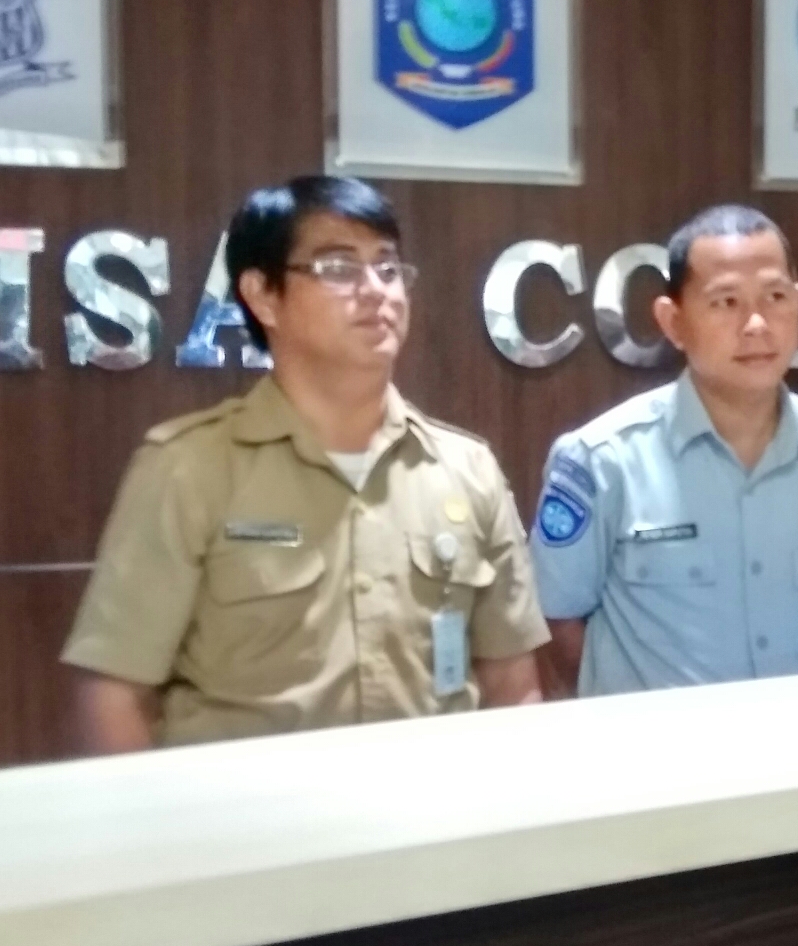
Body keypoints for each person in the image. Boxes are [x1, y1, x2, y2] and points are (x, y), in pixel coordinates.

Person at [65, 176, 547, 751]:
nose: (376, 290)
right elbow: (116, 696)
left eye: (388, 267)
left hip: (427, 799)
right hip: (244, 807)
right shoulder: (188, 468)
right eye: (339, 268)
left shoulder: (467, 469)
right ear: (263, 296)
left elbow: (513, 686)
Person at [531, 204, 798, 696]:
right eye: (726, 302)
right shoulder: (602, 461)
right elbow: (558, 623)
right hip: (654, 743)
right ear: (673, 322)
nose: (757, 324)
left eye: (775, 297)